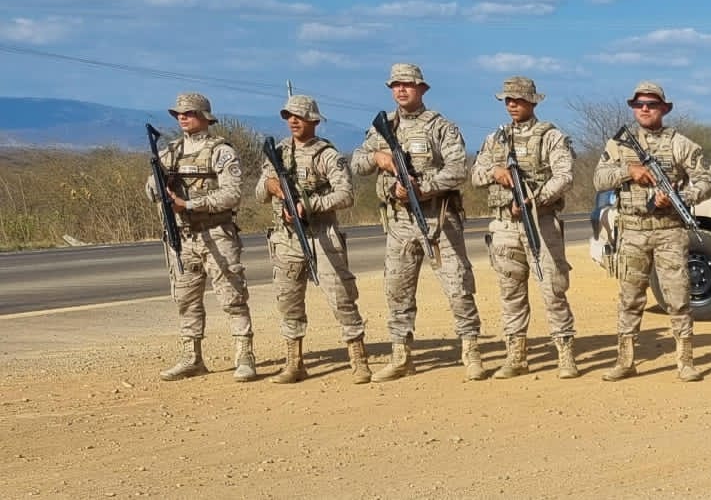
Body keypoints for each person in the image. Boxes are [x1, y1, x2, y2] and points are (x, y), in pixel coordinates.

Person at [350, 63, 488, 382]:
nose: (401, 90)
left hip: (439, 219)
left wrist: (422, 187)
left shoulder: (441, 126)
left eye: (408, 85)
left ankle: (471, 351)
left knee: (458, 287)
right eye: (395, 85)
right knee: (397, 290)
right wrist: (378, 159)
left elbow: (457, 170)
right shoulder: (383, 128)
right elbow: (357, 163)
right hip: (399, 223)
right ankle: (401, 355)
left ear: (422, 89)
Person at [593, 81, 711, 382]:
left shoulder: (680, 144)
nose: (645, 109)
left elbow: (706, 181)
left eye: (651, 104)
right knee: (630, 297)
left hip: (669, 230)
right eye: (639, 104)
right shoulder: (618, 145)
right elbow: (599, 179)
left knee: (677, 296)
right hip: (632, 231)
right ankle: (626, 360)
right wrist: (629, 171)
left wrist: (680, 196)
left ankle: (685, 361)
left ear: (663, 108)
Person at [254, 95, 372, 384]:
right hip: (286, 238)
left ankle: (358, 359)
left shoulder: (327, 155)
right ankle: (294, 363)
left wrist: (311, 205)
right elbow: (260, 192)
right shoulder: (277, 153)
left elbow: (346, 195)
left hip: (322, 235)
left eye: (300, 116)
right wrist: (274, 187)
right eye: (288, 116)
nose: (293, 121)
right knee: (289, 300)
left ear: (314, 121)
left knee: (341, 296)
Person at [471, 76, 579, 379]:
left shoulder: (550, 136)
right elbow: (476, 174)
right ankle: (516, 355)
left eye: (517, 100)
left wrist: (535, 199)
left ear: (533, 102)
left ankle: (565, 353)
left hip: (540, 221)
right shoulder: (497, 138)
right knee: (510, 291)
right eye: (507, 100)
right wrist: (496, 171)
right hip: (505, 224)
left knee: (553, 288)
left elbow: (564, 176)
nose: (512, 105)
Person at [146, 92, 258, 383]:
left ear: (204, 117)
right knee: (186, 299)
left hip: (216, 233)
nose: (183, 117)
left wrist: (192, 204)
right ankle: (191, 357)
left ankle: (244, 355)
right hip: (182, 237)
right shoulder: (169, 152)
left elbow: (232, 194)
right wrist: (161, 182)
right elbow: (149, 191)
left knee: (232, 296)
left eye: (190, 113)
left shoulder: (221, 151)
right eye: (179, 114)